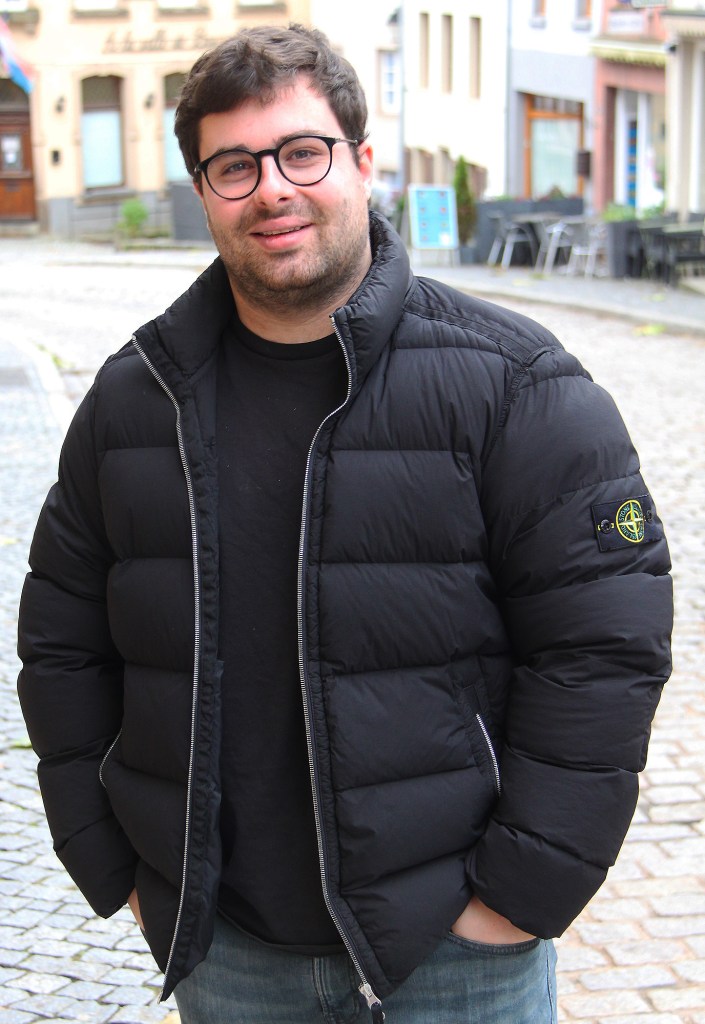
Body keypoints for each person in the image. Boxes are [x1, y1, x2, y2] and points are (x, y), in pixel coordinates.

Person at [17, 23, 673, 1024]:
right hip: (232, 957)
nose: (271, 189)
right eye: (235, 166)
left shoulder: (514, 383)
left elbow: (602, 647)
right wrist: (117, 865)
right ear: (204, 191)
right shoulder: (133, 403)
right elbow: (62, 645)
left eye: (301, 152)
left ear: (362, 162)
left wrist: (516, 896)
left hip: (455, 956)